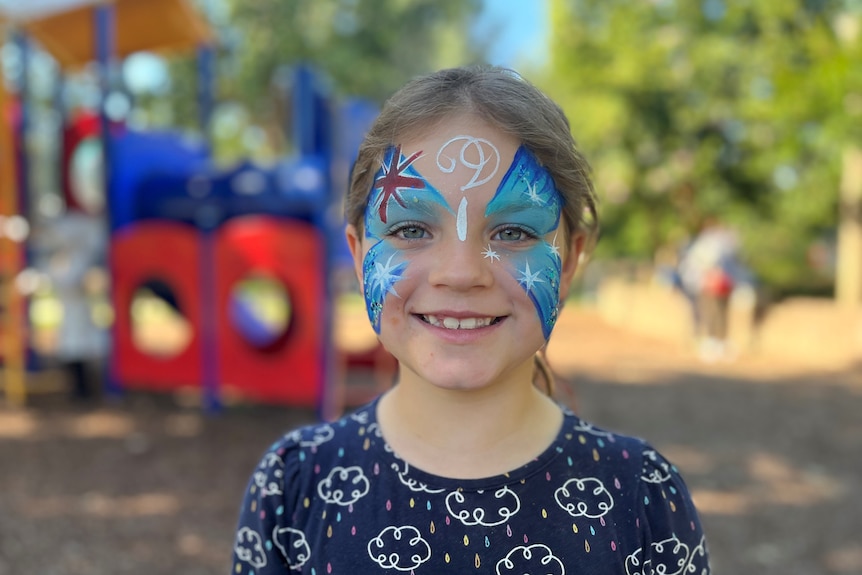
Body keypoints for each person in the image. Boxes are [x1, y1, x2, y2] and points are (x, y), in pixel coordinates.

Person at [231, 66, 711, 574]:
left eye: (513, 233)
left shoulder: (640, 498)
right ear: (357, 254)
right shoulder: (293, 486)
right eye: (412, 227)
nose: (460, 274)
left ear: (568, 263)